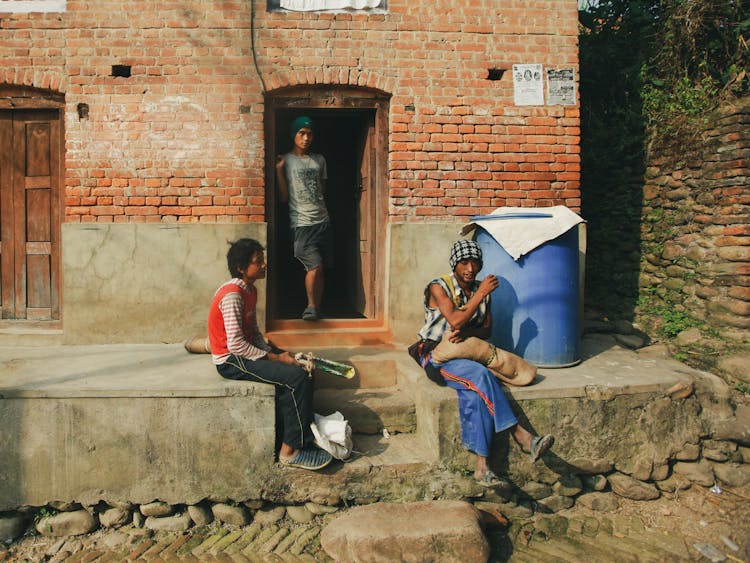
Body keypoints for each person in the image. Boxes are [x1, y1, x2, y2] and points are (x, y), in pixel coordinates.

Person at [413, 240, 554, 486]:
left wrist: (468, 331)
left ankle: (482, 468)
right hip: (436, 357)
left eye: (475, 262)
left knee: (475, 393)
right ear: (454, 264)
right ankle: (521, 435)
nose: (470, 268)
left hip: (466, 353)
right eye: (464, 262)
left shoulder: (480, 291)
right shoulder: (439, 287)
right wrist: (479, 297)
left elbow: (487, 330)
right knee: (480, 376)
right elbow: (455, 320)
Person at [207, 238, 332, 471]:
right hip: (231, 361)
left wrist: (281, 353)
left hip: (244, 353)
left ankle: (301, 438)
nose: (264, 265)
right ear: (241, 268)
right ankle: (290, 451)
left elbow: (253, 334)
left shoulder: (250, 290)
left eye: (263, 260)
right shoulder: (233, 294)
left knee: (302, 368)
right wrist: (275, 359)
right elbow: (235, 345)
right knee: (296, 379)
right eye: (258, 262)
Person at [275, 116, 331, 321]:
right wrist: (279, 171)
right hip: (301, 222)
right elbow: (283, 197)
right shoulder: (287, 161)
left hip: (323, 220)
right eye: (301, 133)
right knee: (313, 265)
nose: (306, 138)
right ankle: (310, 307)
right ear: (294, 135)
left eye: (309, 133)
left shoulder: (319, 160)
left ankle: (317, 307)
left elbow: (322, 189)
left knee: (321, 267)